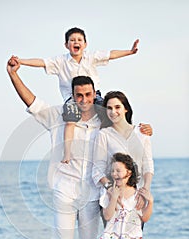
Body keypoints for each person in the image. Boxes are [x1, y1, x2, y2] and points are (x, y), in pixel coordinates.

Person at [7, 58, 152, 239]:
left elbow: (127, 129)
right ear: (72, 96)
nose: (83, 100)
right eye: (78, 95)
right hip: (64, 189)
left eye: (87, 95)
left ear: (94, 94)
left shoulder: (104, 121)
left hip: (93, 193)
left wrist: (145, 129)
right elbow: (31, 101)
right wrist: (13, 75)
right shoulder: (59, 116)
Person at [9, 27, 140, 163]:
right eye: (72, 40)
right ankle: (67, 153)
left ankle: (124, 142)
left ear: (85, 44)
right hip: (71, 99)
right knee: (70, 123)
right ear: (66, 45)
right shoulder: (60, 61)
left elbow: (111, 54)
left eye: (79, 40)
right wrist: (21, 62)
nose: (75, 42)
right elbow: (41, 62)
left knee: (110, 115)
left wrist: (130, 52)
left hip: (96, 97)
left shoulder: (91, 57)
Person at [92, 91, 154, 239]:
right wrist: (111, 191)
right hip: (112, 199)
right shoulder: (104, 135)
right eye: (109, 108)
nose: (113, 112)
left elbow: (148, 165)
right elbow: (97, 168)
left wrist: (145, 188)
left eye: (117, 107)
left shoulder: (142, 133)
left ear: (125, 108)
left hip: (135, 199)